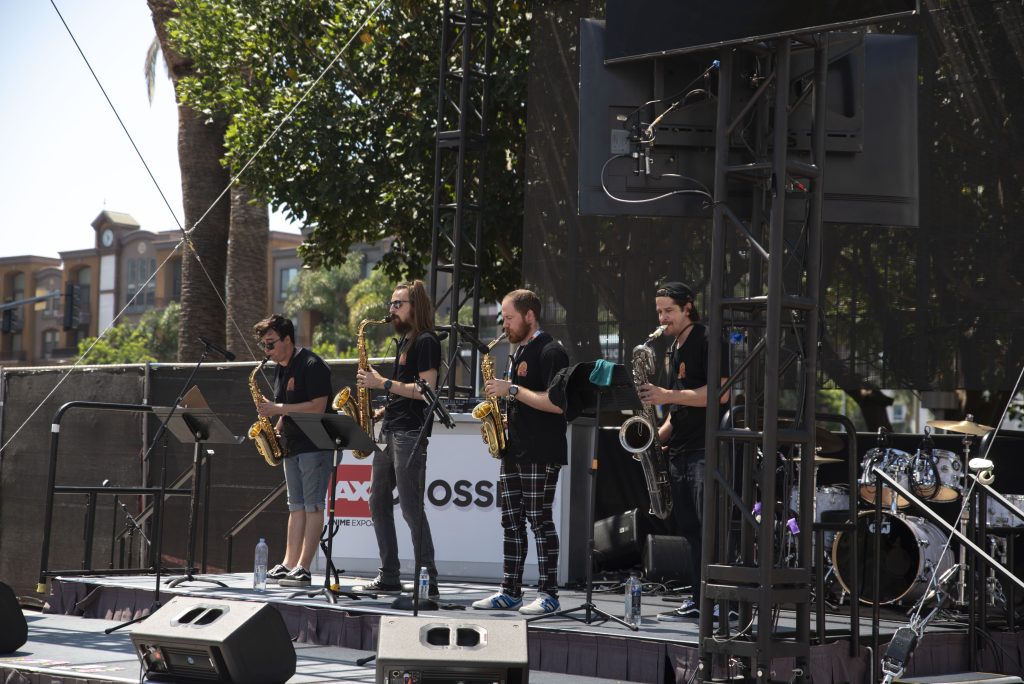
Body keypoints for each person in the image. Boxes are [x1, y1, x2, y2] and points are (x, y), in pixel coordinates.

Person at [472, 289, 570, 615]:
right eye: (503, 317)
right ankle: (510, 590)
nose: (505, 324)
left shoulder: (551, 351)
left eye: (510, 317)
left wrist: (510, 388)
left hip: (541, 451)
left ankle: (549, 593)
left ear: (529, 316)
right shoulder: (519, 351)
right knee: (511, 521)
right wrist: (501, 420)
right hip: (515, 449)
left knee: (539, 520)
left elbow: (557, 404)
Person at [636, 282, 729, 622]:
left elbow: (720, 394)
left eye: (669, 311)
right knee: (690, 530)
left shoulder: (706, 339)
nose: (662, 317)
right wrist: (655, 439)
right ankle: (698, 596)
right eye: (659, 311)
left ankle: (721, 600)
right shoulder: (673, 347)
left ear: (688, 307)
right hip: (680, 449)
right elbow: (677, 409)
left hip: (706, 449)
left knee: (709, 530)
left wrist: (666, 395)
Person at [356, 279, 442, 598]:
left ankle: (428, 577)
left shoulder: (427, 341)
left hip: (410, 433)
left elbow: (425, 390)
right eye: (391, 303)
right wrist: (380, 411)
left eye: (398, 304)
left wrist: (382, 383)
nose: (391, 309)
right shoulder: (404, 341)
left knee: (409, 507)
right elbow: (403, 389)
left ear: (415, 307)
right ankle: (389, 574)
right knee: (377, 501)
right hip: (391, 429)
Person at [253, 314, 333, 588]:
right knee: (295, 506)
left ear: (288, 340)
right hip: (292, 445)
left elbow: (318, 406)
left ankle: (304, 567)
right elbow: (286, 407)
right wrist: (275, 428)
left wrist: (278, 409)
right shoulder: (280, 368)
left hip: (315, 445)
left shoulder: (312, 365)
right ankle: (289, 563)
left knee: (312, 506)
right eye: (264, 345)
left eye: (271, 344)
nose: (267, 351)